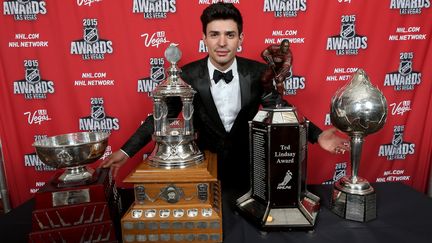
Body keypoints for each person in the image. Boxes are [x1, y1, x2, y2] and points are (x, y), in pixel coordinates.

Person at [100, 3, 349, 195]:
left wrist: (317, 135)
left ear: (241, 39)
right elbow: (161, 117)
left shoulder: (257, 72)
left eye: (230, 35)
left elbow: (280, 108)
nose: (222, 43)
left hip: (250, 172)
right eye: (214, 34)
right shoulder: (187, 75)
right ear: (204, 38)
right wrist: (125, 151)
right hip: (202, 169)